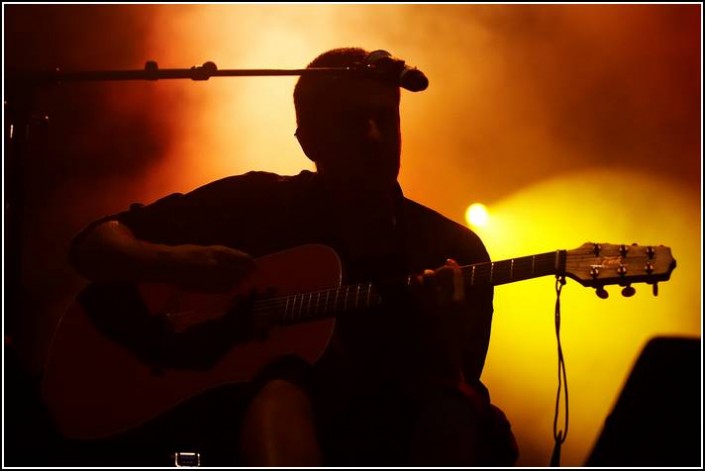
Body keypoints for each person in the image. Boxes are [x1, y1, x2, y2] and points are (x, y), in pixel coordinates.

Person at [68, 47, 518, 467]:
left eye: (385, 119)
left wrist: (440, 333)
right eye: (351, 122)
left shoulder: (452, 250)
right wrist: (174, 262)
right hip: (229, 424)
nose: (374, 137)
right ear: (308, 142)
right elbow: (92, 244)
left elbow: (453, 385)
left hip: (382, 435)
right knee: (279, 387)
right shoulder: (258, 202)